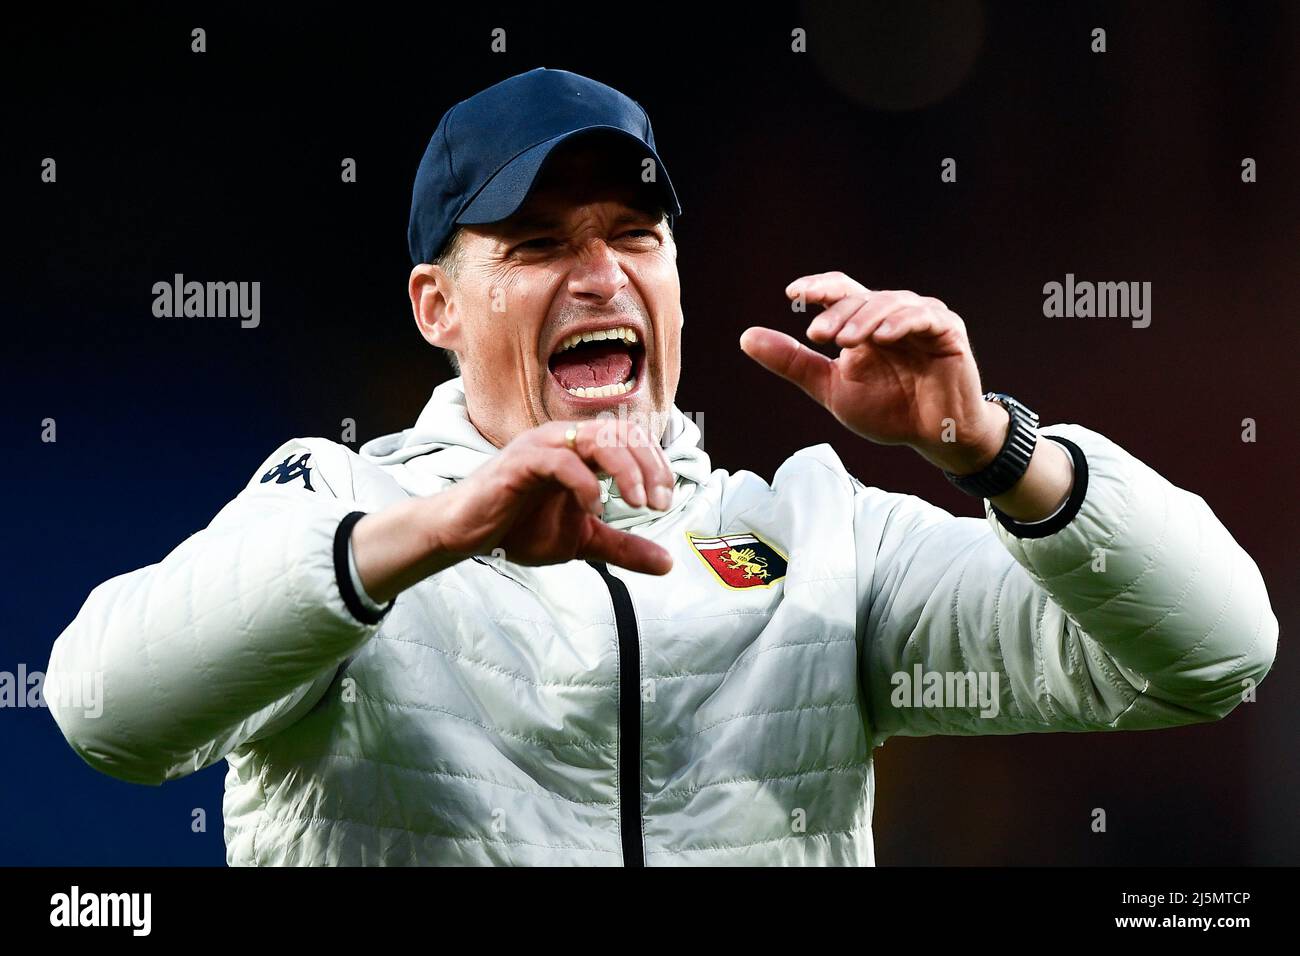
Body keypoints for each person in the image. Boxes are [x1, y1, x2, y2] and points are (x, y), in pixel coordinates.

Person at [46, 68, 1277, 866]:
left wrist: (993, 450)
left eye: (633, 235)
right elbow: (106, 711)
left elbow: (1218, 651)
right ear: (436, 306)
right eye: (535, 245)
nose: (598, 275)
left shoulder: (815, 536)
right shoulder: (343, 508)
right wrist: (437, 533)